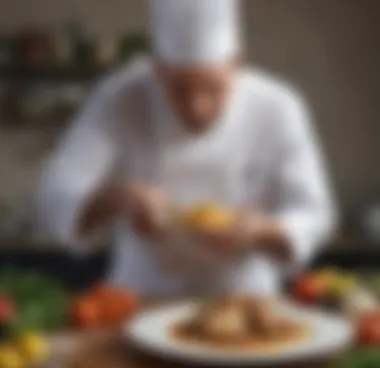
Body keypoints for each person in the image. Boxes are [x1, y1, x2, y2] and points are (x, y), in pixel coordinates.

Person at [36, 0, 336, 295]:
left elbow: (315, 213)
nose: (196, 106)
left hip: (244, 302)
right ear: (157, 70)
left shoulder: (279, 106)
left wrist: (262, 231)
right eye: (179, 89)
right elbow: (57, 195)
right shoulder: (119, 97)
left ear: (238, 64)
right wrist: (117, 198)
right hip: (140, 299)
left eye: (212, 88)